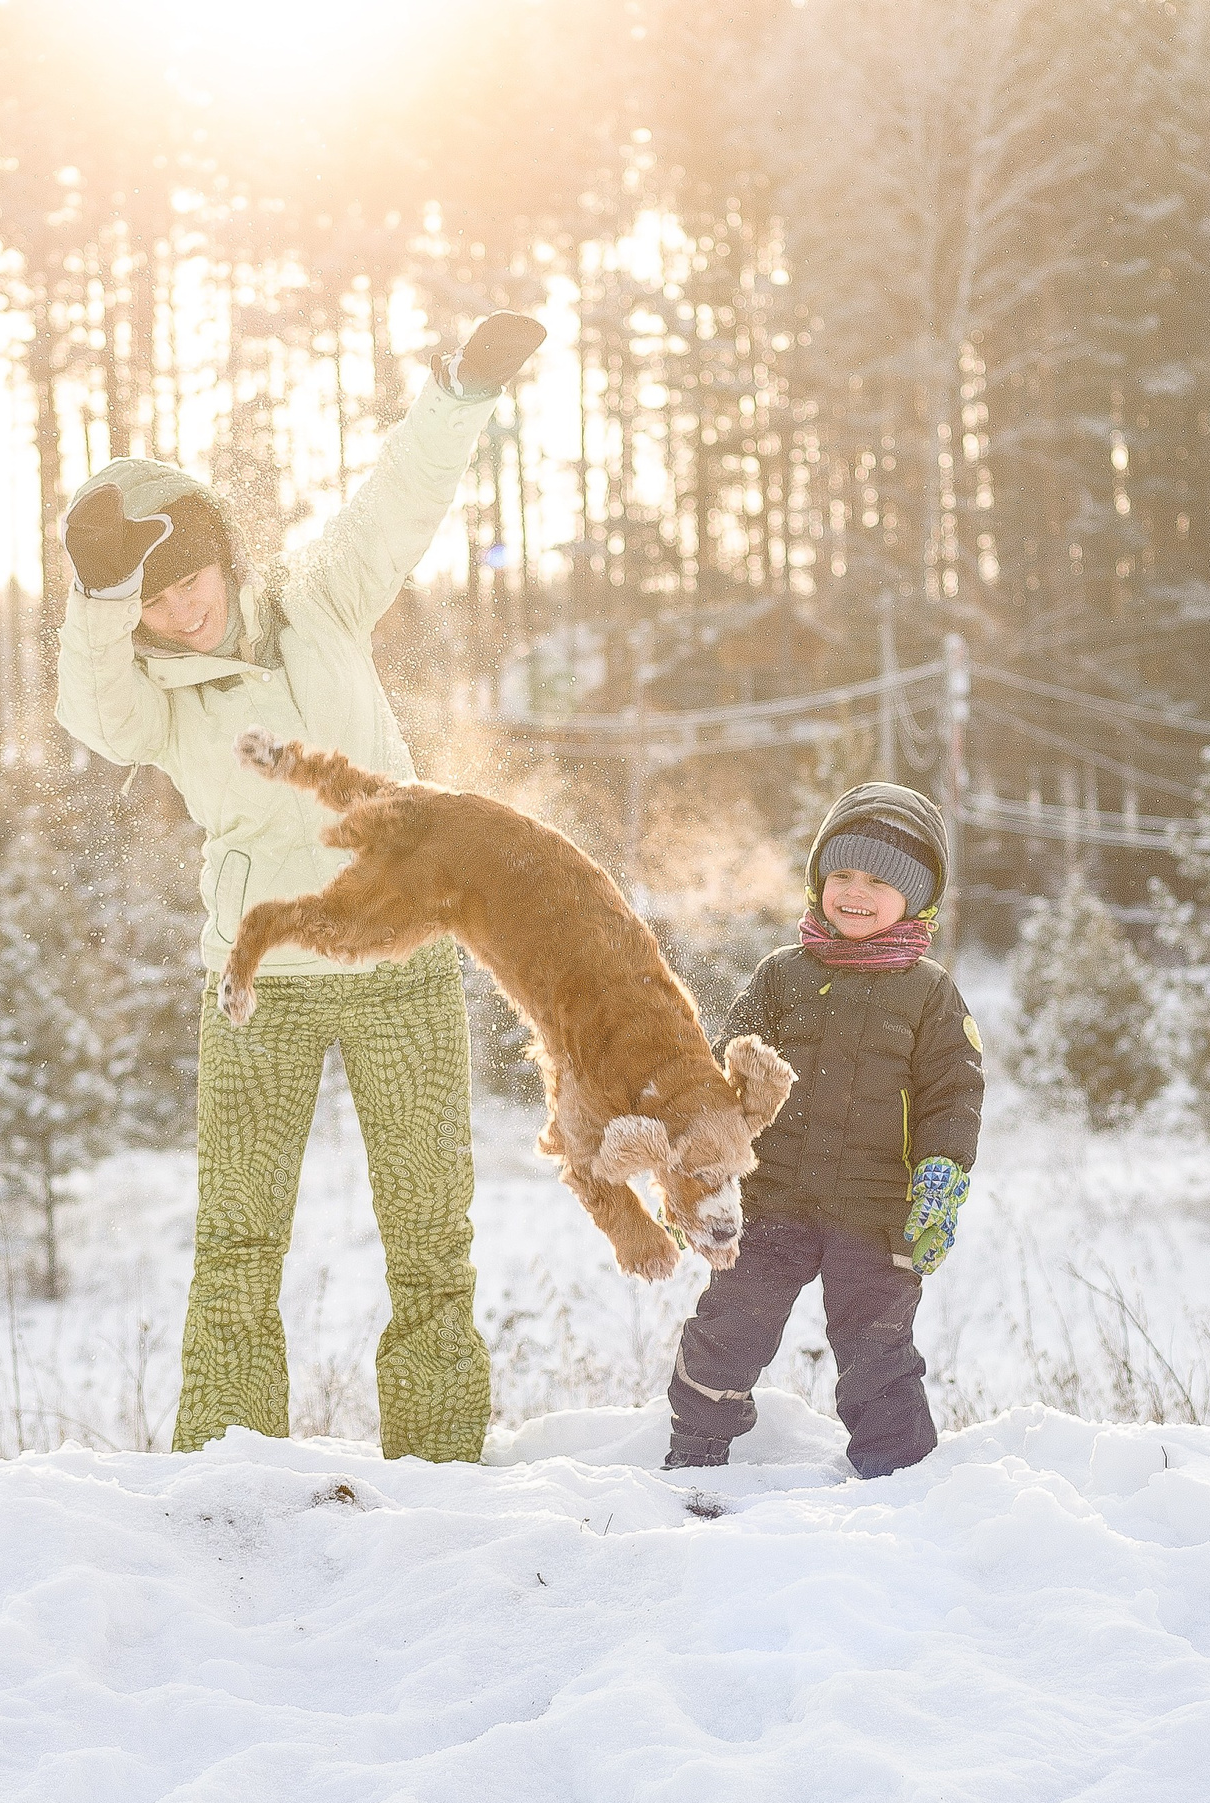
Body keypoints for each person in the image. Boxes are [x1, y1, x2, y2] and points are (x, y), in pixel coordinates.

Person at [54, 311, 546, 1462]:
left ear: (224, 549)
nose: (182, 609)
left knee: (431, 1240)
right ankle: (228, 1473)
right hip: (259, 984)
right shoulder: (152, 692)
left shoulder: (319, 599)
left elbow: (397, 501)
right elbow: (90, 713)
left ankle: (438, 1462)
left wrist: (458, 396)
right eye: (152, 599)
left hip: (402, 961)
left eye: (190, 577)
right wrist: (94, 603)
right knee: (236, 1240)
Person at [662, 783, 985, 1478]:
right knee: (730, 1324)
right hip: (773, 1201)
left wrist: (941, 1175)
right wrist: (698, 1171)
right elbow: (730, 1081)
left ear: (918, 896)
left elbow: (952, 1095)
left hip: (877, 1213)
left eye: (878, 879)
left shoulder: (931, 993)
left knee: (878, 1352)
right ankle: (694, 1452)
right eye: (840, 873)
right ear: (817, 881)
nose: (855, 891)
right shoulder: (782, 976)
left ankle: (898, 1479)